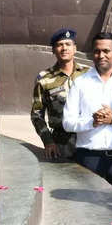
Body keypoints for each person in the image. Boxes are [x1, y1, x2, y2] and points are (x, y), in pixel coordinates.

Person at [63, 32, 112, 204]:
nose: (101, 55)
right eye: (97, 51)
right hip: (89, 159)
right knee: (89, 213)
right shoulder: (80, 83)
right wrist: (93, 122)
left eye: (106, 51)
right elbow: (67, 122)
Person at [31, 28, 88, 160]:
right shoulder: (44, 78)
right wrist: (48, 141)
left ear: (75, 48)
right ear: (53, 50)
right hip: (61, 143)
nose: (64, 48)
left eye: (68, 44)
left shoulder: (89, 74)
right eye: (59, 45)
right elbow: (36, 114)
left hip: (88, 138)